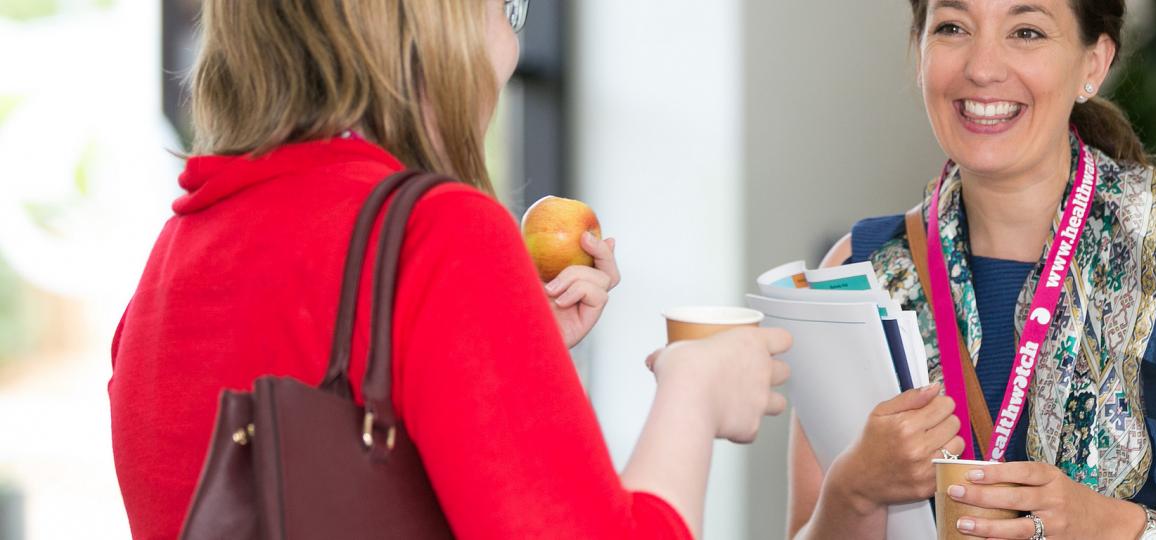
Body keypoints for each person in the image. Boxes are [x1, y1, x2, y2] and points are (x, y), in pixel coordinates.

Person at [108, 1, 790, 538]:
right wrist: (692, 392)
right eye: (508, 6)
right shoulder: (440, 232)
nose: (513, 44)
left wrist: (509, 340)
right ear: (437, 19)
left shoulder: (172, 260)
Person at [787, 1, 1156, 539]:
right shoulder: (858, 274)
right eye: (953, 27)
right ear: (919, 50)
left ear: (1093, 64)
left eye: (1026, 31)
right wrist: (854, 492)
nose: (982, 67)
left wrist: (1118, 528)